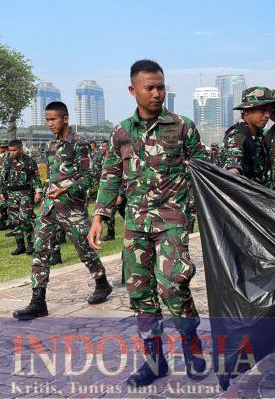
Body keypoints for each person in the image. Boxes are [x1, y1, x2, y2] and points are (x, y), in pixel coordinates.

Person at [87, 59, 207, 386]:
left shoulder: (182, 127)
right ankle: (154, 362)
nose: (157, 94)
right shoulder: (121, 132)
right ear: (132, 90)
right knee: (140, 293)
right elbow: (110, 176)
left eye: (161, 87)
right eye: (149, 88)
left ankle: (191, 345)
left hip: (172, 221)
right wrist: (100, 216)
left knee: (173, 283)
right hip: (135, 224)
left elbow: (203, 173)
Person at [12, 101, 110, 320]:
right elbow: (53, 177)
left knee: (84, 249)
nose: (49, 124)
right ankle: (38, 301)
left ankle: (102, 283)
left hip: (72, 207)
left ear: (65, 119)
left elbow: (89, 177)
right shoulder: (52, 146)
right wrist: (47, 193)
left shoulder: (79, 144)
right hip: (50, 208)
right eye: (47, 120)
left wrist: (65, 190)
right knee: (39, 249)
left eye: (53, 119)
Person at [221, 87, 275, 184]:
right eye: (262, 110)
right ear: (247, 110)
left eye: (269, 111)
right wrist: (233, 171)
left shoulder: (260, 135)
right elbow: (233, 162)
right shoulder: (238, 135)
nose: (267, 115)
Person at [0, 140, 42, 255]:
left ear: (20, 149)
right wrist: (1, 192)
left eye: (14, 150)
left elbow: (36, 177)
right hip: (11, 195)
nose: (12, 152)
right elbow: (2, 178)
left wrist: (38, 191)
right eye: (10, 150)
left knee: (26, 219)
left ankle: (31, 244)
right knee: (14, 220)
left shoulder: (29, 161)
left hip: (25, 193)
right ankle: (20, 246)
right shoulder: (6, 161)